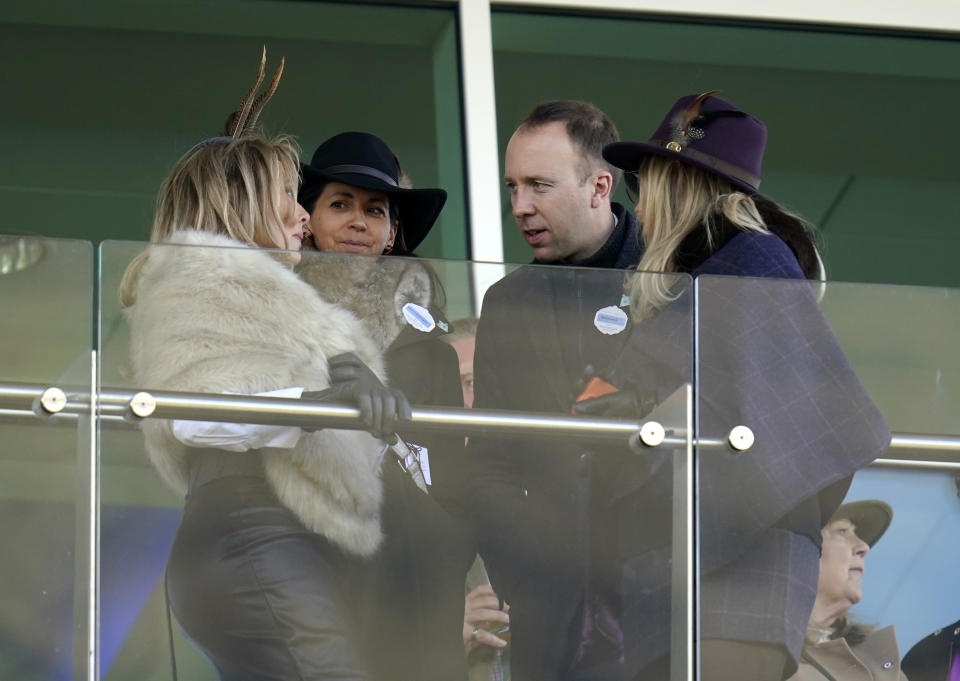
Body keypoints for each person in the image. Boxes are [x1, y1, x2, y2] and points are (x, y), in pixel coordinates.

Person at [119, 58, 457, 680]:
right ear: (244, 201)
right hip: (251, 536)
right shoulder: (196, 279)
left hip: (281, 540)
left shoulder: (253, 291)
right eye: (288, 198)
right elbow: (198, 417)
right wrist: (315, 403)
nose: (303, 217)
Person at [589, 91, 892, 680]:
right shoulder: (707, 277)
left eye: (641, 183)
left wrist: (763, 517)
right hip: (681, 582)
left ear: (677, 183)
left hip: (736, 590)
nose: (639, 205)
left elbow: (822, 434)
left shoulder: (753, 263)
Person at [466, 100, 645, 681]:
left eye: (539, 185)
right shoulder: (507, 301)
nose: (520, 206)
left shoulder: (674, 275)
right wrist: (522, 574)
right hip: (550, 608)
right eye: (512, 186)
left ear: (599, 186)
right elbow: (490, 458)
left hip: (657, 596)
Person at [295, 131, 478, 681]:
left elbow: (449, 485)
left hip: (410, 582)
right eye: (341, 204)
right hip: (307, 562)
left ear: (393, 232)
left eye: (375, 210)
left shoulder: (431, 353)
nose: (358, 221)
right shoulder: (282, 317)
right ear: (307, 218)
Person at [786, 499, 906, 681]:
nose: (864, 547)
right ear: (797, 550)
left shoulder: (878, 662)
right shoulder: (758, 656)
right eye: (842, 531)